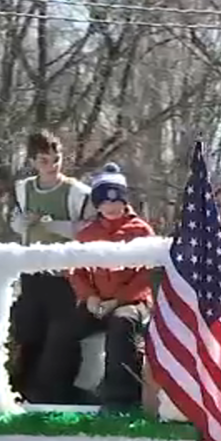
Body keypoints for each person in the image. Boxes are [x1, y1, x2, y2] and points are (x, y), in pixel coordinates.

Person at [38, 164, 155, 408]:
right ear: (97, 204)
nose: (110, 206)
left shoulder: (141, 231)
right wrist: (89, 297)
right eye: (104, 201)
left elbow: (146, 275)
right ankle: (56, 395)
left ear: (124, 201)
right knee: (62, 328)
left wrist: (119, 300)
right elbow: (76, 270)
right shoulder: (87, 233)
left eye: (116, 200)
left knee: (122, 325)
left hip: (131, 302)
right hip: (97, 302)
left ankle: (121, 399)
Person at [9, 130, 94, 401]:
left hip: (64, 274)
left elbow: (88, 229)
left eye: (56, 159)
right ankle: (25, 390)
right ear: (33, 161)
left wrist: (51, 224)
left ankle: (56, 392)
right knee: (30, 331)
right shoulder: (24, 189)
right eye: (44, 160)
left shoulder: (77, 192)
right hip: (33, 272)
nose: (52, 165)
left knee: (60, 336)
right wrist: (23, 223)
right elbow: (16, 221)